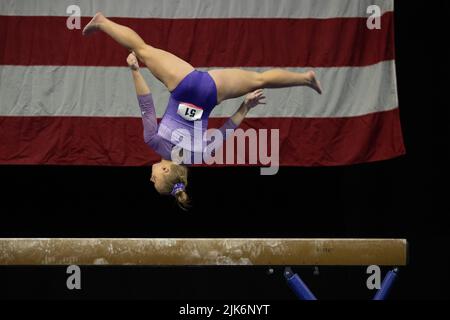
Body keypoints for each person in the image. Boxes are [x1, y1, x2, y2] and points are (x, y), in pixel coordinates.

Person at [83, 13, 322, 209]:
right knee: (141, 49)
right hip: (182, 84)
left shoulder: (199, 157)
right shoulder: (153, 142)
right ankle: (102, 22)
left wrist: (246, 106)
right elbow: (146, 104)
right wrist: (135, 70)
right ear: (166, 169)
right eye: (155, 179)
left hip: (210, 93)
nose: (150, 176)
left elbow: (227, 131)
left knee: (260, 79)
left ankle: (305, 79)